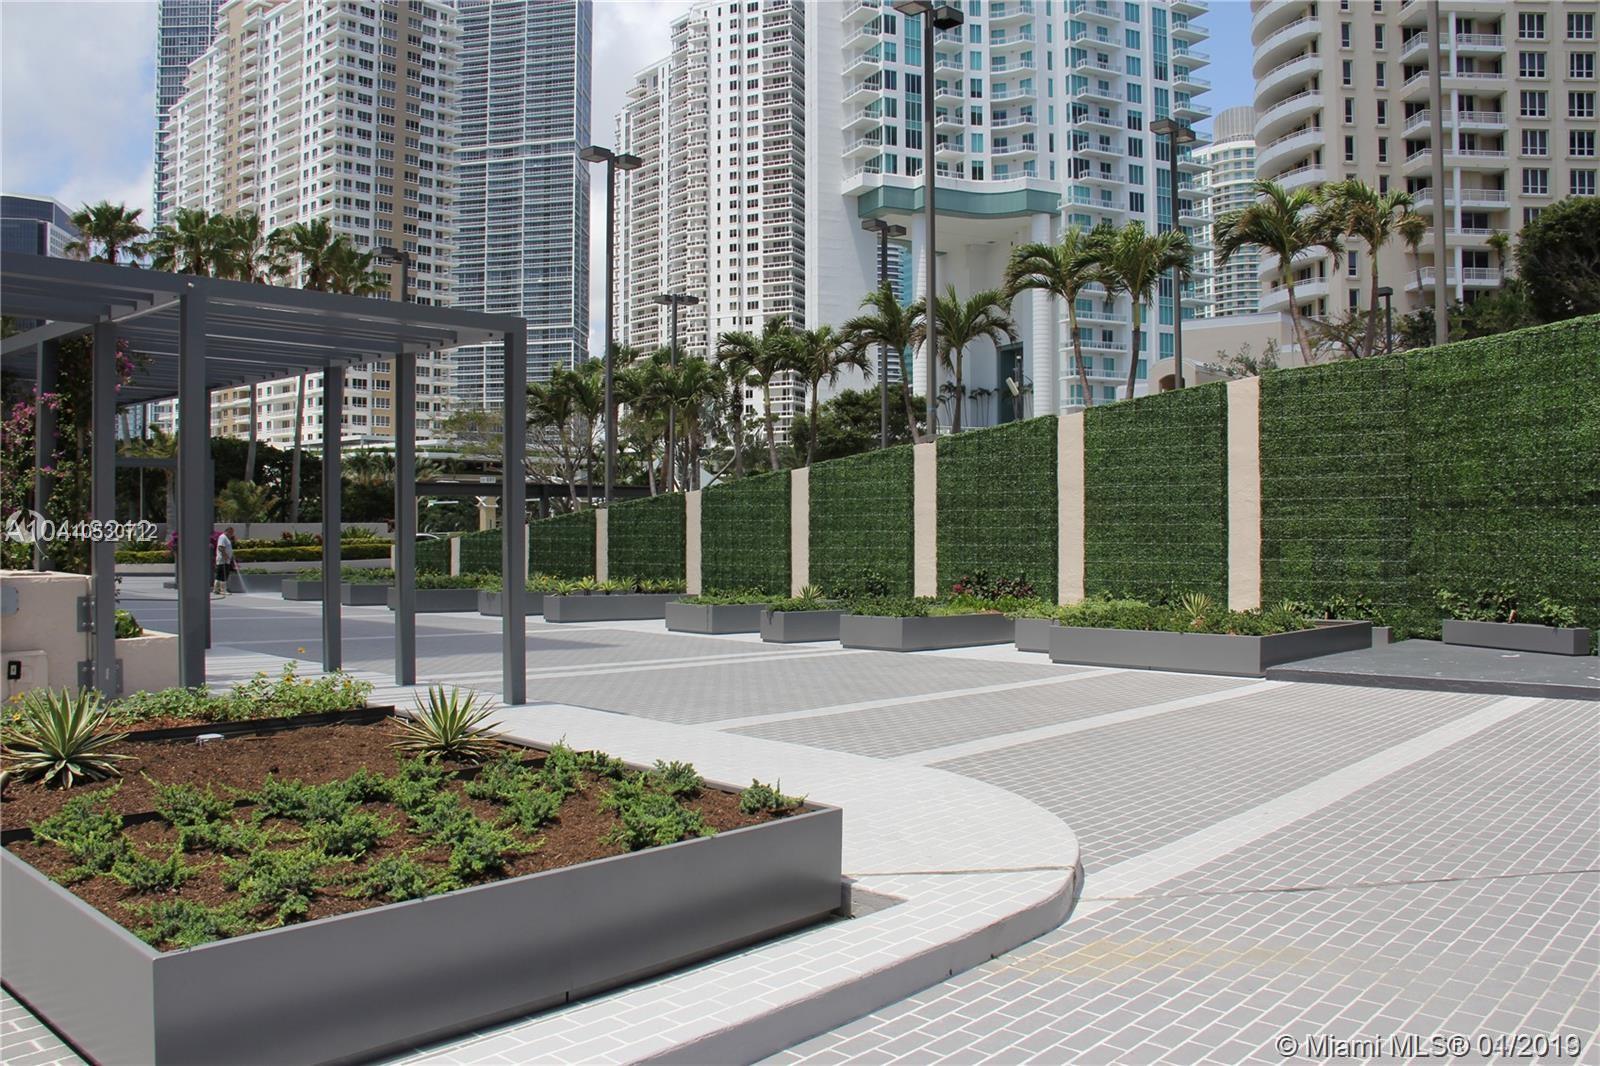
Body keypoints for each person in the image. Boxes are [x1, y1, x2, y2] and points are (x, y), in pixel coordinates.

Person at [213, 527, 236, 596]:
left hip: (224, 560)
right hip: (223, 560)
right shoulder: (223, 537)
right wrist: (225, 556)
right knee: (224, 574)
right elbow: (220, 547)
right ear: (227, 531)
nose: (232, 534)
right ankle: (223, 590)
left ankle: (216, 589)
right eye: (231, 532)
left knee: (219, 575)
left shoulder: (226, 538)